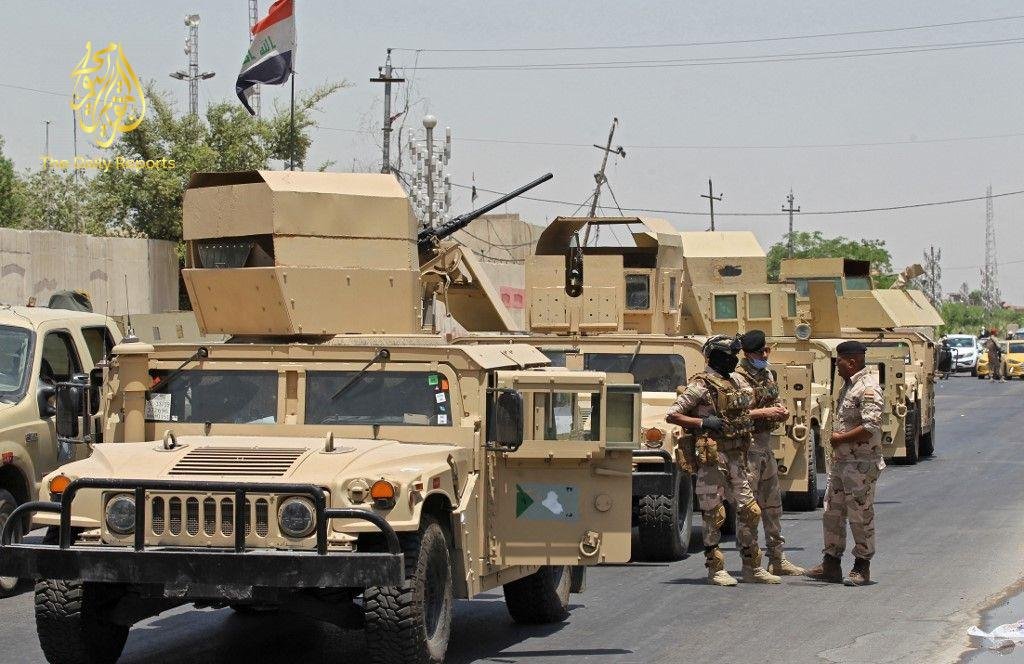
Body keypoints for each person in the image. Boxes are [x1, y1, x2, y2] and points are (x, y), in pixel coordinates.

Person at [666, 334, 780, 586]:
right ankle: (715, 568)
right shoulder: (701, 384)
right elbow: (673, 414)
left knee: (750, 510)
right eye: (730, 355)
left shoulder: (734, 381)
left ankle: (752, 567)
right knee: (714, 513)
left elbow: (744, 411)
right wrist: (702, 422)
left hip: (737, 455)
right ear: (717, 356)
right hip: (713, 457)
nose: (734, 360)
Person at [805, 340, 884, 587]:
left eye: (838, 361)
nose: (836, 366)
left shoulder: (868, 388)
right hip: (842, 462)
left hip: (860, 463)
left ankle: (862, 566)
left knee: (860, 515)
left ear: (852, 361)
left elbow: (870, 427)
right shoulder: (849, 385)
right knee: (832, 512)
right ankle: (831, 563)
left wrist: (840, 438)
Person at [735, 330, 805, 576]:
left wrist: (779, 411)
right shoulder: (737, 378)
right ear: (748, 354)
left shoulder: (766, 374)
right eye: (760, 352)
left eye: (767, 350)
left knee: (773, 505)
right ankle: (750, 562)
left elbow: (772, 402)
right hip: (746, 448)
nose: (765, 355)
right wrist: (764, 413)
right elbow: (732, 416)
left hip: (765, 446)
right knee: (749, 508)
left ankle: (777, 558)